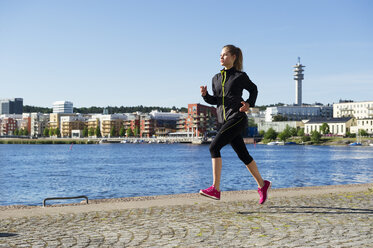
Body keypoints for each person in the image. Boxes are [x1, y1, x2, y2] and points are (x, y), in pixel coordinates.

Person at [199, 44, 271, 204]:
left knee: (213, 147)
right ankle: (262, 184)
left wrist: (249, 104)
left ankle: (215, 189)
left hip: (237, 117)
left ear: (233, 57)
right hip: (224, 120)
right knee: (243, 155)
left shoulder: (240, 76)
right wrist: (205, 96)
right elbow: (216, 101)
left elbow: (254, 89)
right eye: (220, 55)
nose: (221, 57)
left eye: (224, 55)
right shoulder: (215, 78)